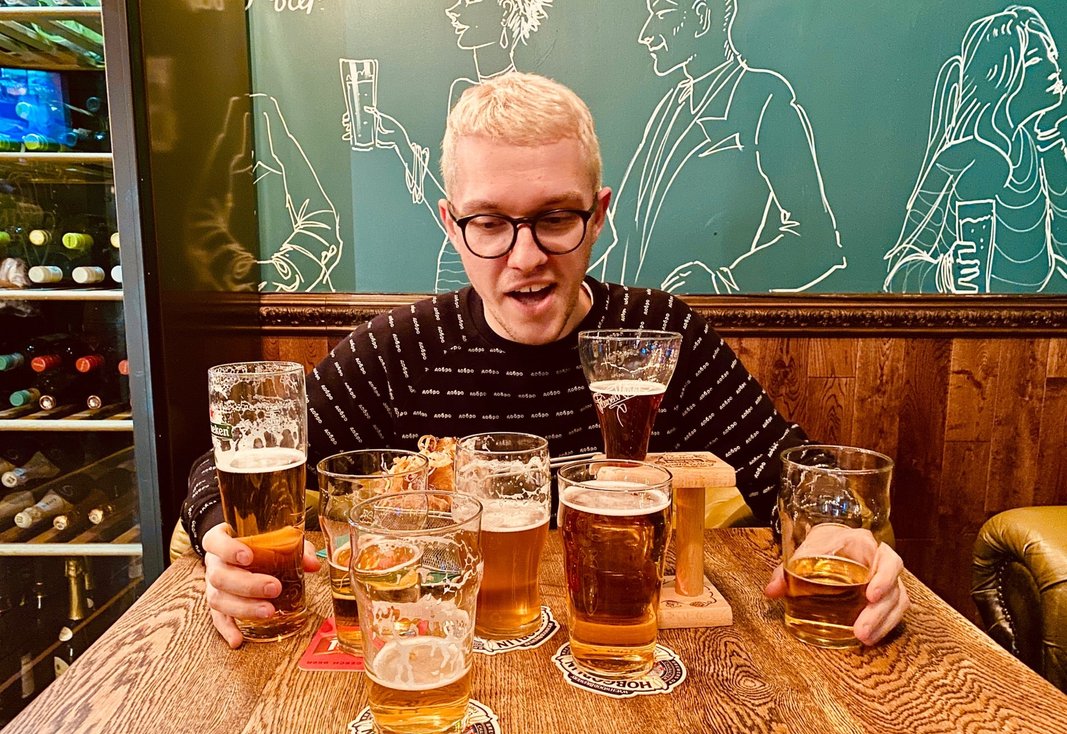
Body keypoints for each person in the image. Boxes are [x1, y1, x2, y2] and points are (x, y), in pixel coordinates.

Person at [182, 71, 909, 648]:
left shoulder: (662, 336)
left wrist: (847, 534)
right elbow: (216, 470)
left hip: (648, 671)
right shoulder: (399, 349)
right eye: (490, 222)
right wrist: (226, 546)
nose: (525, 257)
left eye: (555, 217)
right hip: (448, 663)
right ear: (451, 225)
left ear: (599, 214)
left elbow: (793, 471)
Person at [594, 0, 846, 293]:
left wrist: (724, 282)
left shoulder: (764, 99)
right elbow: (626, 236)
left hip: (707, 317)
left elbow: (816, 240)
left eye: (662, 14)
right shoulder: (669, 108)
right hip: (638, 316)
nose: (646, 34)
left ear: (702, 17)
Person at [366, 0, 553, 291]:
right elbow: (454, 204)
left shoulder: (541, 107)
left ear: (503, 14)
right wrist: (399, 142)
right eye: (489, 222)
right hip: (456, 270)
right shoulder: (461, 94)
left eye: (469, 3)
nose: (454, 10)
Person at [884, 5, 1067, 293]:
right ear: (1002, 76)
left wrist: (1053, 150)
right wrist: (944, 274)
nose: (1053, 67)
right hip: (972, 317)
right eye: (1035, 59)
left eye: (1052, 54)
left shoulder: (1037, 149)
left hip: (1041, 316)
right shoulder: (958, 160)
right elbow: (898, 274)